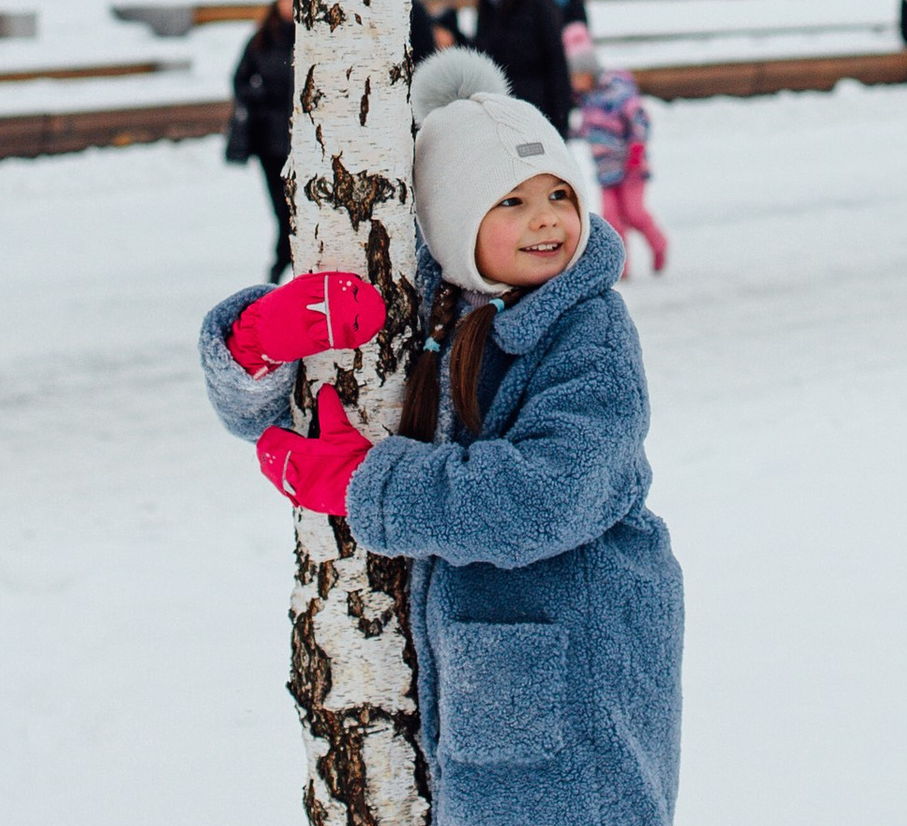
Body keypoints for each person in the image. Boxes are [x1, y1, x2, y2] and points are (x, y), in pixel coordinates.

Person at [197, 47, 683, 826]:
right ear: (454, 222)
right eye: (511, 202)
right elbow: (287, 422)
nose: (547, 219)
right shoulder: (425, 305)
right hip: (490, 688)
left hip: (581, 694)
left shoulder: (589, 329)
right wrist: (251, 348)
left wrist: (370, 484)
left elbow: (544, 497)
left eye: (558, 193)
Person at [572, 40, 667, 277]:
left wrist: (636, 150)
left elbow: (640, 120)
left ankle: (659, 245)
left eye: (577, 76)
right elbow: (588, 129)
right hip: (606, 172)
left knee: (634, 213)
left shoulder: (618, 93)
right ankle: (620, 268)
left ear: (589, 74)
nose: (574, 82)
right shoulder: (587, 101)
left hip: (630, 166)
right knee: (612, 220)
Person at [470, 0, 575, 133]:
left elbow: (555, 60)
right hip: (500, 110)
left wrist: (561, 119)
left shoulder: (536, 2)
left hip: (535, 109)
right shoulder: (487, 3)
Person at [227, 0, 297, 277]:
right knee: (281, 210)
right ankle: (281, 262)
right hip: (270, 142)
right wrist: (262, 95)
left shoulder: (315, 39)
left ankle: (285, 263)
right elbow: (240, 80)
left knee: (298, 211)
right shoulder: (263, 38)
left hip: (301, 141)